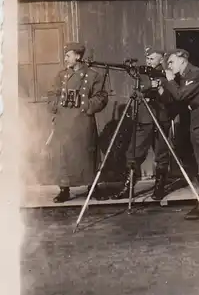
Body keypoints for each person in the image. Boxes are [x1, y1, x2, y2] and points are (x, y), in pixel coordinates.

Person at [159, 48, 199, 220]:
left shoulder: (196, 74)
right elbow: (174, 99)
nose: (169, 66)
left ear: (182, 59)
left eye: (171, 62)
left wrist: (170, 81)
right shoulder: (185, 77)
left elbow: (180, 95)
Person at [47, 42, 109, 203]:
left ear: (78, 56)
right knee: (63, 155)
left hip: (83, 122)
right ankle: (64, 189)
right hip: (64, 122)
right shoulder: (61, 76)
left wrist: (86, 106)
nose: (65, 58)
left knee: (88, 153)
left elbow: (101, 97)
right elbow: (52, 94)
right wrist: (57, 106)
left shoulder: (93, 75)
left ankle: (93, 187)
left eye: (68, 55)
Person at [113, 47, 174, 201]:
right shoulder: (142, 74)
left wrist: (160, 86)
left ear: (161, 59)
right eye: (147, 58)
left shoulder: (168, 75)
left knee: (161, 154)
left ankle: (159, 187)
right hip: (144, 118)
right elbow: (139, 90)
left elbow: (171, 98)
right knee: (133, 153)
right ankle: (128, 188)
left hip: (161, 118)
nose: (148, 61)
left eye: (152, 58)